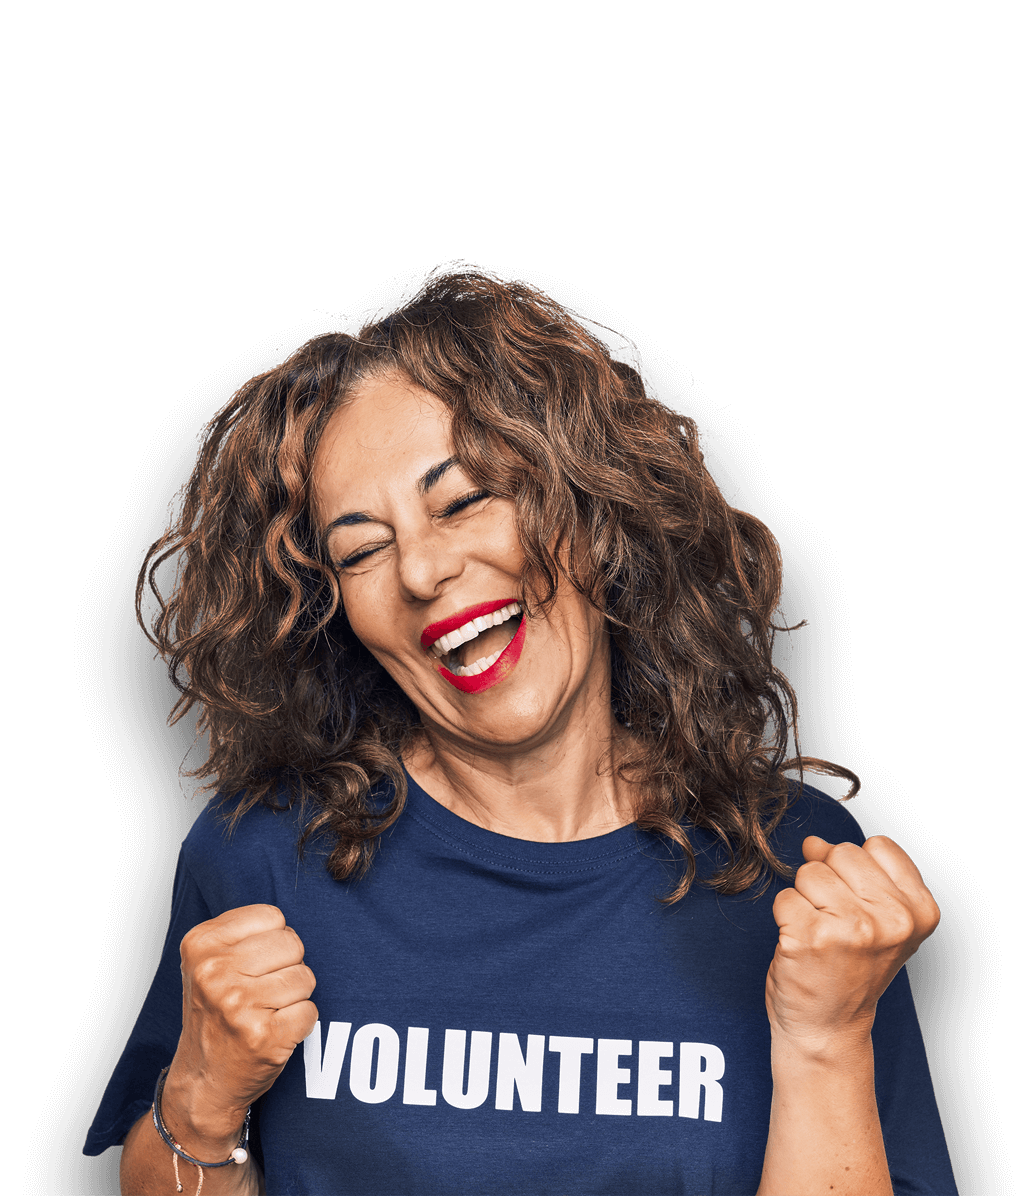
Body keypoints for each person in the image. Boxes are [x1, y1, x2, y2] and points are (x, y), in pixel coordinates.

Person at [85, 267, 956, 1194]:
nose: (422, 568)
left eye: (462, 501)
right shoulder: (258, 857)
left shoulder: (803, 872)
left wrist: (826, 1041)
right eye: (361, 550)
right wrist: (202, 1101)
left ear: (589, 502)